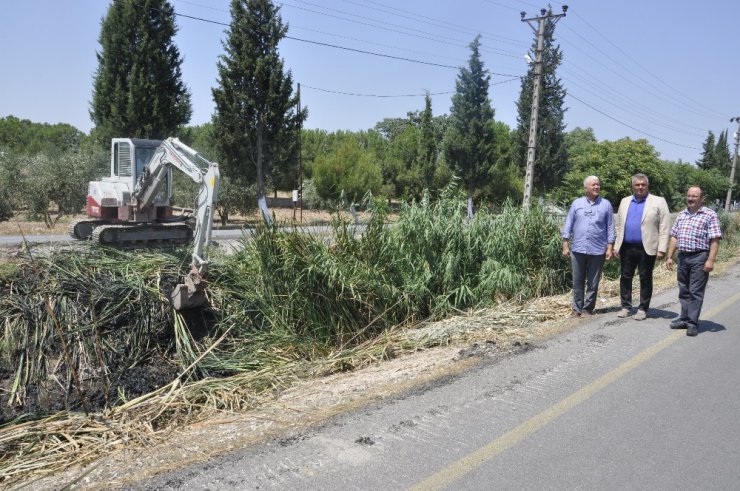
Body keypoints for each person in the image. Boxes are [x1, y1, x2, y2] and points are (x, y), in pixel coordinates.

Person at [665, 185, 722, 336]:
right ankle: (684, 318)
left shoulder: (709, 215)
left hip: (699, 257)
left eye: (694, 196)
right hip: (683, 257)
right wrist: (670, 256)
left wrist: (710, 260)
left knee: (695, 291)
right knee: (684, 290)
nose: (690, 198)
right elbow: (674, 236)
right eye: (689, 195)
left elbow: (715, 239)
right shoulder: (682, 214)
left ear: (702, 199)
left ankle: (692, 322)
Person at [613, 174, 671, 320]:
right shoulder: (625, 201)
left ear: (647, 185)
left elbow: (664, 226)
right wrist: (617, 245)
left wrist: (662, 248)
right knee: (625, 277)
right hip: (626, 247)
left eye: (643, 185)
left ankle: (643, 308)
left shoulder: (658, 201)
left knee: (645, 278)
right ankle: (626, 306)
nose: (640, 187)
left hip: (647, 248)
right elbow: (619, 225)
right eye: (637, 185)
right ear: (633, 186)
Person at [562, 175, 615, 317]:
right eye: (593, 185)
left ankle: (587, 309)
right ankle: (576, 308)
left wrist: (610, 247)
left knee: (593, 282)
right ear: (586, 188)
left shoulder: (606, 204)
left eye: (598, 184)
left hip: (598, 250)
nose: (597, 187)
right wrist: (565, 244)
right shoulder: (576, 203)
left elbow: (610, 227)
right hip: (578, 248)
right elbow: (569, 224)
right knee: (577, 281)